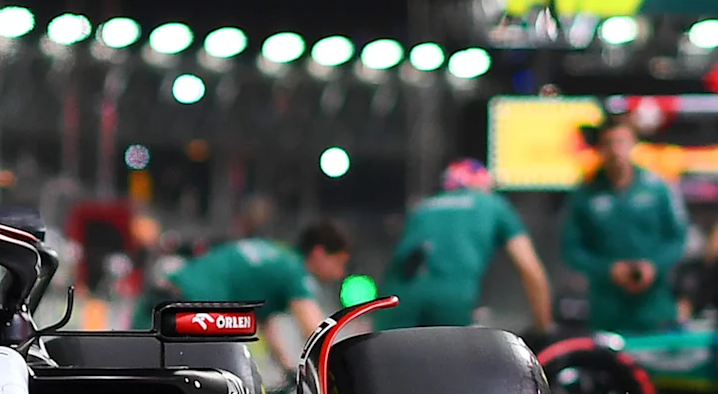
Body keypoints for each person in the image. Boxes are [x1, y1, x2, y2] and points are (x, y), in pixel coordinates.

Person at [376, 159, 552, 332]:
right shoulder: (493, 205)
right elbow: (531, 270)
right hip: (451, 299)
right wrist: (543, 328)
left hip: (396, 300)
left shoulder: (423, 207)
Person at [560, 116, 690, 334]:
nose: (616, 150)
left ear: (633, 145)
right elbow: (571, 250)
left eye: (621, 142)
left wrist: (654, 266)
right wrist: (608, 270)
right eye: (609, 143)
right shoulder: (585, 195)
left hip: (654, 306)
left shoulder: (657, 189)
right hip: (608, 309)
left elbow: (678, 238)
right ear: (600, 149)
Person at [154, 218, 351, 354]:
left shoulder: (281, 257)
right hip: (192, 308)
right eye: (338, 263)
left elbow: (268, 326)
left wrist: (288, 371)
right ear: (318, 253)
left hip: (166, 296)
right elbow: (318, 335)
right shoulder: (297, 273)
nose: (340, 273)